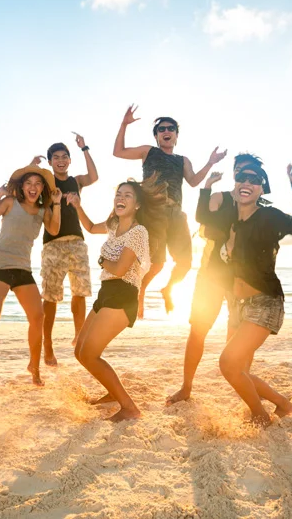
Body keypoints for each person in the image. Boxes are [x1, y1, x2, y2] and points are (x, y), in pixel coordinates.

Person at [68, 175, 169, 422]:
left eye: (127, 195)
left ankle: (129, 408)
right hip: (106, 292)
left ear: (137, 205)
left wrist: (102, 260)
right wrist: (77, 206)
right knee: (80, 352)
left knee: (90, 354)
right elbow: (91, 227)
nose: (120, 198)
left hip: (123, 294)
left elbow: (121, 269)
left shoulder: (138, 232)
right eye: (118, 194)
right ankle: (112, 393)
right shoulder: (114, 225)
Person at [167, 153, 265, 405]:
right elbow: (204, 223)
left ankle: (243, 386)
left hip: (242, 279)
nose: (246, 178)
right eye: (241, 172)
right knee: (198, 330)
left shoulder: (258, 205)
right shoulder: (220, 198)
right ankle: (186, 387)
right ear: (234, 174)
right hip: (211, 274)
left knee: (238, 338)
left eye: (252, 174)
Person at [217, 163, 292, 426]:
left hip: (264, 302)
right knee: (239, 370)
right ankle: (283, 404)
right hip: (236, 306)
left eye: (255, 180)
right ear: (235, 184)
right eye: (242, 177)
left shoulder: (268, 217)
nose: (247, 182)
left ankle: (260, 415)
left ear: (261, 190)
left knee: (228, 364)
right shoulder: (229, 222)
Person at [113, 105, 226, 316]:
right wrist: (124, 125)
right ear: (157, 136)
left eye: (171, 129)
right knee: (157, 264)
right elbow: (118, 152)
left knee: (185, 263)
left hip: (176, 214)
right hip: (153, 212)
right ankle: (140, 290)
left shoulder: (182, 160)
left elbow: (193, 181)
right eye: (162, 129)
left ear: (176, 135)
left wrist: (210, 163)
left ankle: (168, 289)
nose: (166, 131)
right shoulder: (149, 152)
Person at [0, 166, 62, 387]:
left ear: (42, 188)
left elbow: (54, 230)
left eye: (38, 183)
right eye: (28, 183)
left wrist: (56, 204)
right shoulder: (9, 202)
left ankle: (34, 366)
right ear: (22, 187)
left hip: (23, 269)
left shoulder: (44, 211)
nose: (33, 187)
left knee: (38, 316)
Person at [31, 133, 98, 366]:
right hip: (53, 243)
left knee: (80, 292)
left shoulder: (76, 181)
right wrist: (33, 166)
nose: (60, 161)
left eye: (64, 157)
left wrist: (84, 148)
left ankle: (79, 336)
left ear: (69, 160)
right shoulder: (46, 184)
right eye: (56, 158)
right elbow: (24, 186)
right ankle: (47, 345)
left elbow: (94, 176)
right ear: (50, 162)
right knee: (50, 297)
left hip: (77, 241)